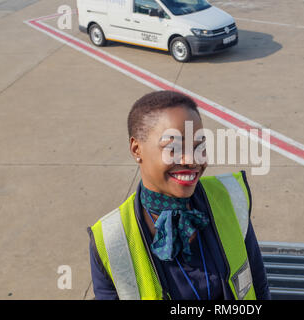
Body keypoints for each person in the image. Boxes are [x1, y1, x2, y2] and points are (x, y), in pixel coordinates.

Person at [87, 90, 271, 300]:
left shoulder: (229, 198)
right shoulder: (111, 239)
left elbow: (258, 283)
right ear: (136, 149)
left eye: (198, 145)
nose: (191, 160)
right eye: (173, 147)